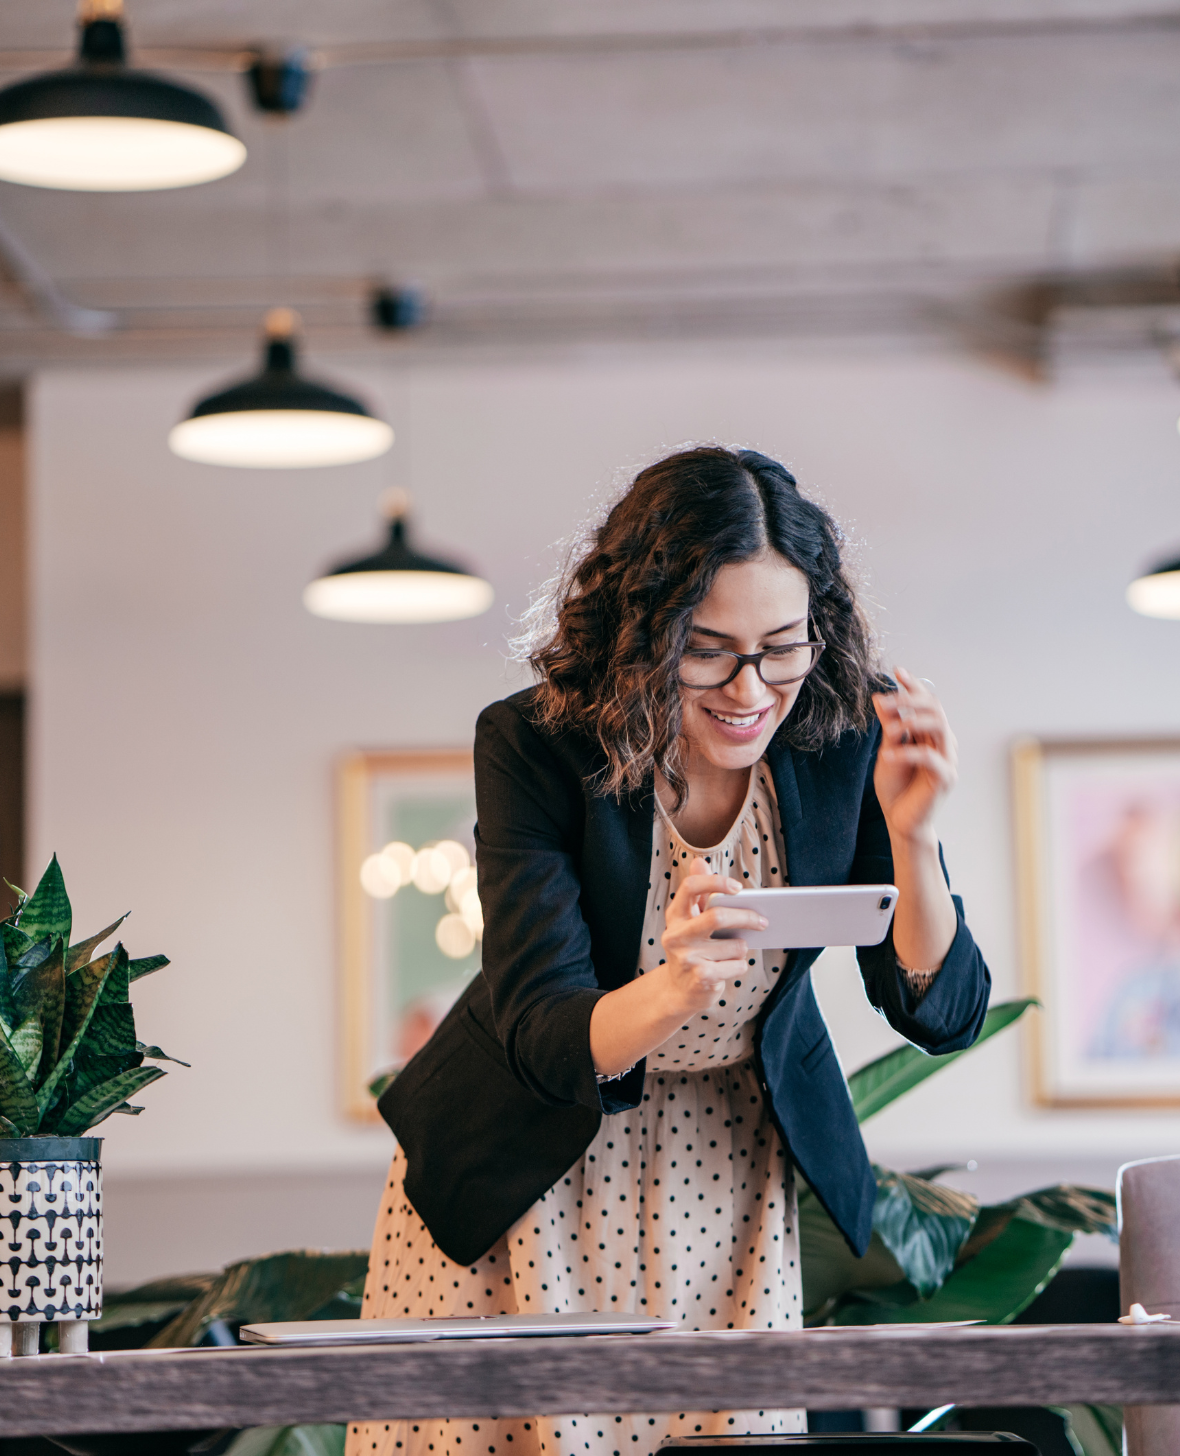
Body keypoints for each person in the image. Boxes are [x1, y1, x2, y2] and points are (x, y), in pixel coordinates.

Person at [350, 446, 994, 1456]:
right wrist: (679, 983)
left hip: (724, 1174)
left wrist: (914, 839)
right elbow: (540, 1029)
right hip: (524, 1172)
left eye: (782, 646)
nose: (751, 688)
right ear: (640, 633)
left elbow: (936, 1008)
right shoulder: (533, 745)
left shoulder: (840, 732)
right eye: (707, 648)